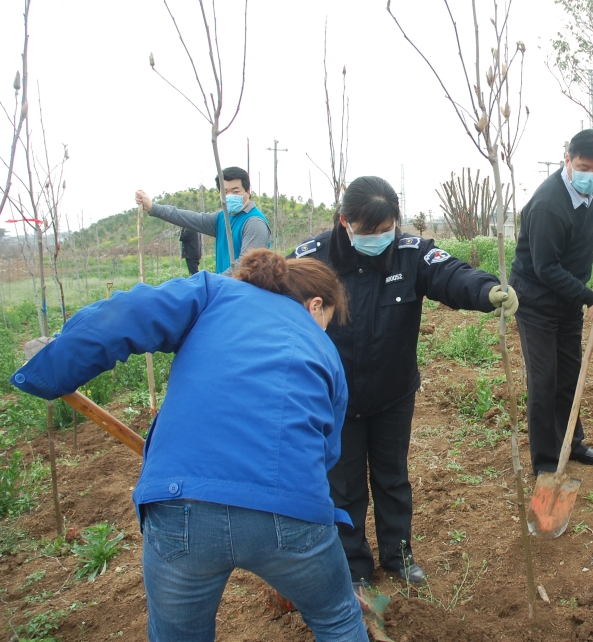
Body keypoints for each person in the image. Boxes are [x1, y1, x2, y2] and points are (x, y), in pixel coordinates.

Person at [10, 249, 368, 642]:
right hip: (292, 510)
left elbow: (126, 315)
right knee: (337, 618)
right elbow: (326, 452)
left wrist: (52, 367)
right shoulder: (325, 352)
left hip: (181, 505)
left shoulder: (213, 293)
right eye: (328, 321)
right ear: (316, 305)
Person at [289, 176, 518, 589]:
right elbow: (270, 295)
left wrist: (487, 291)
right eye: (368, 232)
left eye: (386, 230)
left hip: (393, 393)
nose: (379, 238)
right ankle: (353, 565)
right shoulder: (313, 260)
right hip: (335, 398)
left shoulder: (411, 253)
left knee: (392, 477)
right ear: (345, 222)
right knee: (343, 484)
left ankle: (400, 555)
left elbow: (451, 274)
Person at [510, 129, 593, 475]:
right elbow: (546, 268)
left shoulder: (587, 187)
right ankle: (547, 463)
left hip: (566, 297)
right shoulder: (549, 205)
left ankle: (571, 444)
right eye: (583, 167)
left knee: (569, 374)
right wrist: (589, 297)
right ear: (568, 160)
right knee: (544, 379)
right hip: (536, 300)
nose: (591, 176)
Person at [135, 167, 270, 274]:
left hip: (245, 296)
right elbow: (190, 218)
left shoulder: (254, 223)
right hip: (226, 292)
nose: (230, 196)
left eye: (235, 191)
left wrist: (210, 283)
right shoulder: (222, 218)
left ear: (247, 191)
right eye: (225, 192)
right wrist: (152, 207)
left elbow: (245, 267)